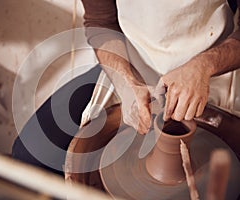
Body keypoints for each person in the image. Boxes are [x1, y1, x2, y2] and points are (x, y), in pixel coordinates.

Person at [12, 0, 240, 175]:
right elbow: (101, 23)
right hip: (130, 65)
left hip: (212, 70)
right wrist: (125, 81)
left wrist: (203, 66)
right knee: (29, 155)